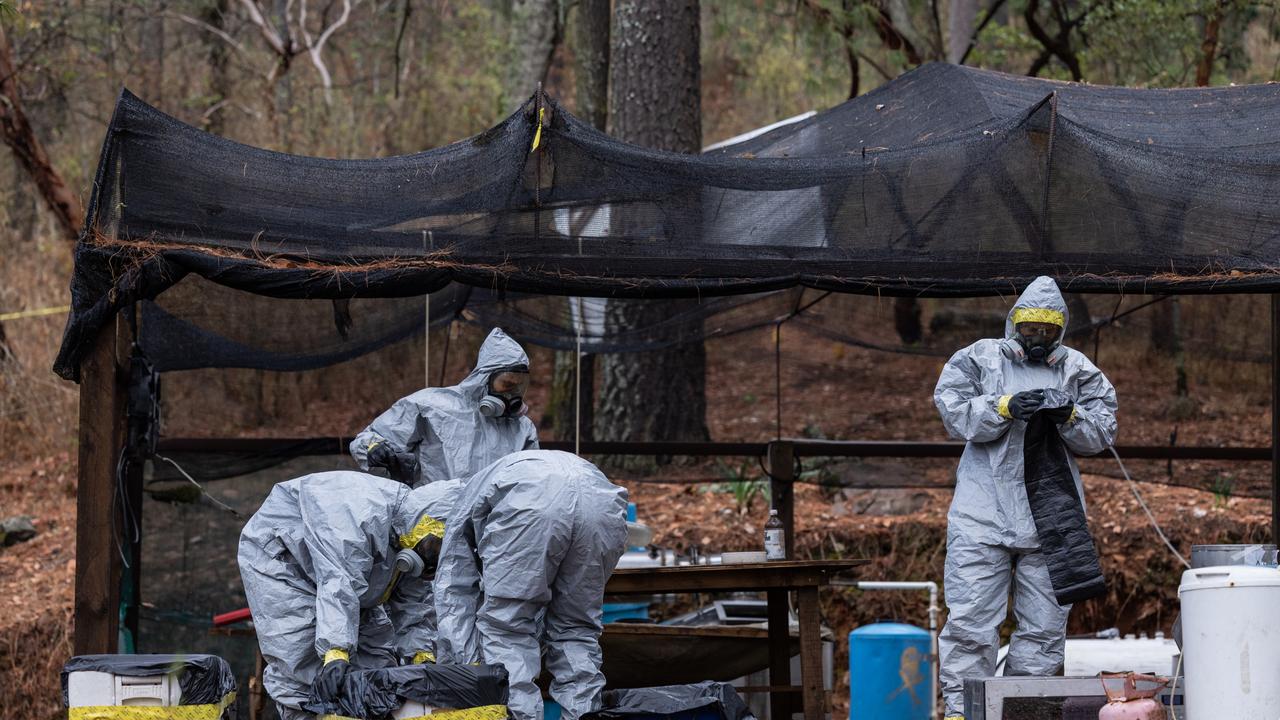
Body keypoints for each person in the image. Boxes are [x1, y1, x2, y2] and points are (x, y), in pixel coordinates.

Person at [933, 276, 1118, 720]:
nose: (1037, 339)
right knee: (971, 622)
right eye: (1030, 329)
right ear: (1013, 325)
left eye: (1047, 331)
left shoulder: (1077, 369)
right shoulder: (979, 358)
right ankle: (963, 711)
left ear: (1060, 330)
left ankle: (1025, 712)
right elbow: (952, 411)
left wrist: (1070, 414)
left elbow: (1103, 430)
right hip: (982, 514)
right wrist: (1001, 407)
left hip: (1050, 518)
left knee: (1044, 629)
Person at [238, 471, 461, 720]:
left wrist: (423, 659)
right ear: (427, 523)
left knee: (376, 663)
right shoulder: (361, 512)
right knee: (306, 663)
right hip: (285, 561)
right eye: (438, 546)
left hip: (352, 578)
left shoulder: (410, 535)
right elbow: (338, 582)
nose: (435, 560)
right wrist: (335, 652)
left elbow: (413, 604)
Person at [434, 450, 629, 720]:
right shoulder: (501, 474)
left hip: (531, 505)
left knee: (507, 628)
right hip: (603, 505)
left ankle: (518, 717)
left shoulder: (461, 504)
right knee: (576, 629)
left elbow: (454, 592)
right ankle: (583, 714)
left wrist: (462, 670)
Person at [351, 327, 539, 486]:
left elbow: (532, 482)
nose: (512, 395)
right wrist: (375, 449)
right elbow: (367, 440)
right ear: (484, 379)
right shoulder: (430, 406)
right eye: (506, 385)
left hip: (493, 523)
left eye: (519, 387)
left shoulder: (523, 428)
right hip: (432, 519)